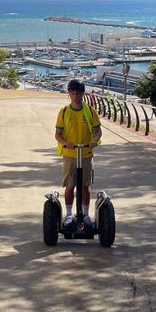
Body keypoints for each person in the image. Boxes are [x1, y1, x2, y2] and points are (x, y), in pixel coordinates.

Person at [55, 78, 101, 229]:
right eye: (72, 93)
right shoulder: (64, 112)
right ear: (69, 94)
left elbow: (98, 130)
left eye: (78, 93)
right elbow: (58, 134)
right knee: (70, 186)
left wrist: (94, 140)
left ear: (83, 94)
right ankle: (69, 214)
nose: (75, 96)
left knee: (85, 186)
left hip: (86, 153)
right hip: (70, 154)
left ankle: (86, 215)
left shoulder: (90, 111)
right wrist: (65, 142)